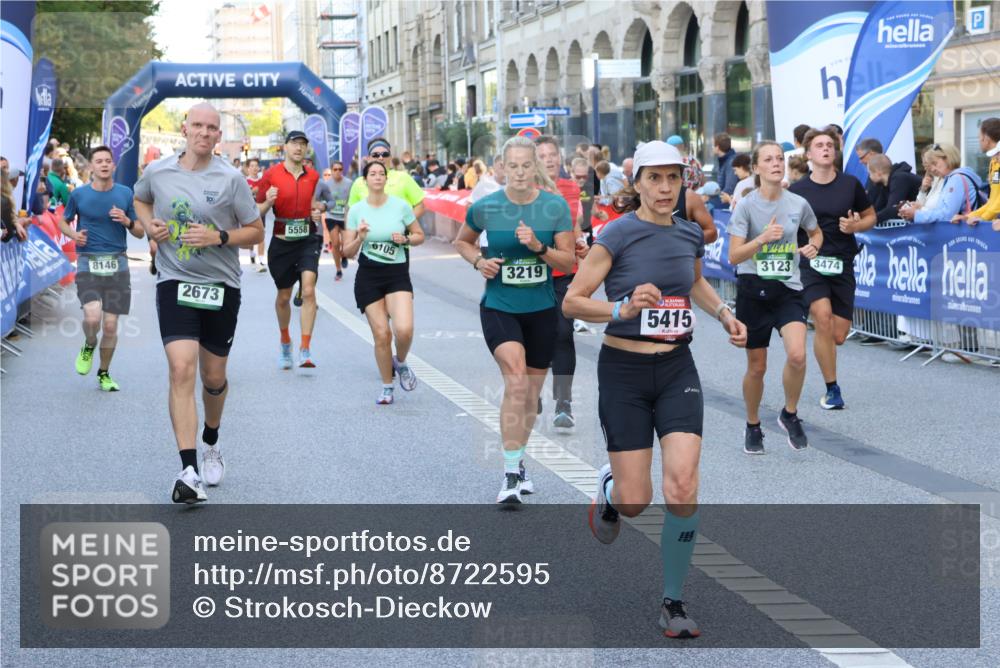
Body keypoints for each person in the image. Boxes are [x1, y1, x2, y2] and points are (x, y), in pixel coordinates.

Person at [562, 141, 747, 640]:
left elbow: (693, 284)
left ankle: (673, 599)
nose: (665, 188)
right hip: (624, 371)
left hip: (676, 370)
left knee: (683, 486)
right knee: (636, 499)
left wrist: (726, 314)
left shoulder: (689, 233)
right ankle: (609, 491)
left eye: (673, 178)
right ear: (637, 183)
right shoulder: (617, 235)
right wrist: (622, 309)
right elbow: (573, 303)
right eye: (655, 179)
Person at [133, 102, 264, 503]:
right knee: (180, 368)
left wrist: (219, 238)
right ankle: (188, 469)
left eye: (212, 128)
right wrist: (150, 227)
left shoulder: (231, 179)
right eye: (198, 126)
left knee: (212, 378)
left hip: (221, 285)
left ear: (218, 136)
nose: (204, 133)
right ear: (184, 128)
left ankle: (211, 439)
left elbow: (256, 231)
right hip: (175, 280)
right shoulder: (158, 172)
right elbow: (141, 201)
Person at [453, 135, 575, 504]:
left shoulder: (554, 207)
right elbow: (463, 241)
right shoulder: (487, 207)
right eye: (514, 166)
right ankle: (508, 474)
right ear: (502, 168)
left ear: (535, 167)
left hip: (541, 309)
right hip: (499, 306)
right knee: (517, 382)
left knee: (531, 396)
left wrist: (539, 247)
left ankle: (518, 460)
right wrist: (479, 261)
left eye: (527, 165)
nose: (520, 172)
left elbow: (568, 262)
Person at [728, 141, 823, 454]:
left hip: (788, 289)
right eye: (768, 159)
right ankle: (753, 424)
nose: (776, 163)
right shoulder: (745, 206)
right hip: (753, 290)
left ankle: (789, 413)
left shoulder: (798, 203)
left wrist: (814, 246)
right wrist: (762, 239)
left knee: (797, 355)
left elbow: (815, 231)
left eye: (780, 158)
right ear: (756, 168)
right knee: (757, 367)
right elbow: (733, 255)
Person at [790, 128, 875, 410]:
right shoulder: (798, 190)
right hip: (811, 262)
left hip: (842, 261)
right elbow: (787, 227)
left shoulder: (850, 184)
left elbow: (870, 216)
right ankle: (832, 388)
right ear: (809, 153)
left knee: (837, 334)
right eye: (819, 145)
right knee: (822, 317)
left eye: (830, 144)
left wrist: (855, 226)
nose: (826, 148)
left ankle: (829, 370)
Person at [58, 146, 144, 391]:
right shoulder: (80, 195)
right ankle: (88, 343)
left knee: (110, 326)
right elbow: (63, 221)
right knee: (93, 317)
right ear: (92, 167)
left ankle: (104, 373)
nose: (104, 164)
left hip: (118, 263)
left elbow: (139, 231)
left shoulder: (126, 193)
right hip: (88, 262)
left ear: (113, 166)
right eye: (99, 161)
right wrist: (75, 235)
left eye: (108, 161)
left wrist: (127, 221)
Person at [343, 160, 425, 404]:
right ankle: (387, 386)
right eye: (372, 173)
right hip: (369, 276)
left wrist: (406, 240)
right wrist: (360, 238)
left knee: (404, 329)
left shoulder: (400, 206)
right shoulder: (356, 210)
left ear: (386, 179)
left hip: (397, 273)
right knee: (381, 334)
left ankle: (399, 361)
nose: (377, 177)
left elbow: (420, 235)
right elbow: (346, 251)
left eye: (381, 173)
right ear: (365, 180)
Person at [255, 131, 323, 370]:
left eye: (303, 145)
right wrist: (268, 202)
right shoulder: (271, 175)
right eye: (295, 144)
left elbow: (314, 203)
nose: (299, 148)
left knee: (308, 290)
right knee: (284, 297)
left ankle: (305, 349)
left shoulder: (313, 176)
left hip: (307, 239)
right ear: (285, 147)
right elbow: (257, 211)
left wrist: (316, 210)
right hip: (282, 243)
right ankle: (286, 342)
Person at [535, 135, 588, 430]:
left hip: (564, 272)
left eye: (552, 154)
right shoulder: (527, 190)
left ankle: (563, 402)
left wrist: (580, 241)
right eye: (542, 156)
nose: (549, 160)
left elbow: (575, 223)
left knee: (563, 334)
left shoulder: (569, 187)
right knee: (537, 337)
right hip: (534, 273)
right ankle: (533, 391)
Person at [898, 143, 987, 225]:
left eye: (935, 163)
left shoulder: (956, 179)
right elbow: (942, 212)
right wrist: (918, 211)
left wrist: (916, 214)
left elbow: (947, 215)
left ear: (948, 158)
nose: (932, 169)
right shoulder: (952, 178)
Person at [349, 138, 425, 221]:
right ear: (368, 158)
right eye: (375, 155)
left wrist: (405, 224)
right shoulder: (359, 182)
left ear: (390, 157)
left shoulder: (404, 177)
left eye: (385, 154)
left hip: (401, 233)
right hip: (370, 233)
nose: (381, 158)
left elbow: (420, 205)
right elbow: (352, 212)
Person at [953, 117, 1000, 228]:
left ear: (986, 139)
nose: (978, 140)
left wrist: (982, 218)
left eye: (979, 137)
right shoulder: (994, 162)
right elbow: (993, 201)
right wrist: (969, 216)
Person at [319, 160, 353, 280]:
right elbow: (323, 200)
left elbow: (352, 200)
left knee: (345, 243)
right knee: (335, 243)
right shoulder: (326, 184)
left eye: (340, 169)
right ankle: (338, 270)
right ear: (331, 171)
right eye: (335, 169)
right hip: (331, 216)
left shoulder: (349, 183)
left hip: (344, 217)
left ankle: (343, 255)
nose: (337, 172)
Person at [865, 154, 921, 223]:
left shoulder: (899, 178)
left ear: (878, 173)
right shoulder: (884, 184)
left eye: (870, 173)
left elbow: (893, 209)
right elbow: (878, 208)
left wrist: (867, 221)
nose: (869, 177)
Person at [244, 158, 268, 273]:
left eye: (256, 166)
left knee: (261, 234)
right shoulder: (243, 181)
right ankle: (251, 252)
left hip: (260, 211)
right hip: (248, 212)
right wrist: (252, 191)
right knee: (251, 237)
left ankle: (262, 261)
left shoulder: (262, 181)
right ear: (248, 168)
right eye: (252, 166)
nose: (254, 168)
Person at [854, 137, 885, 204]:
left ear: (872, 154)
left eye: (861, 158)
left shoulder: (893, 176)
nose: (860, 162)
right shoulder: (871, 175)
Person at [712, 133, 738, 197]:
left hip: (727, 201)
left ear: (717, 147)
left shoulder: (731, 162)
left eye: (713, 145)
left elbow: (729, 189)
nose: (712, 148)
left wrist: (714, 199)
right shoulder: (724, 160)